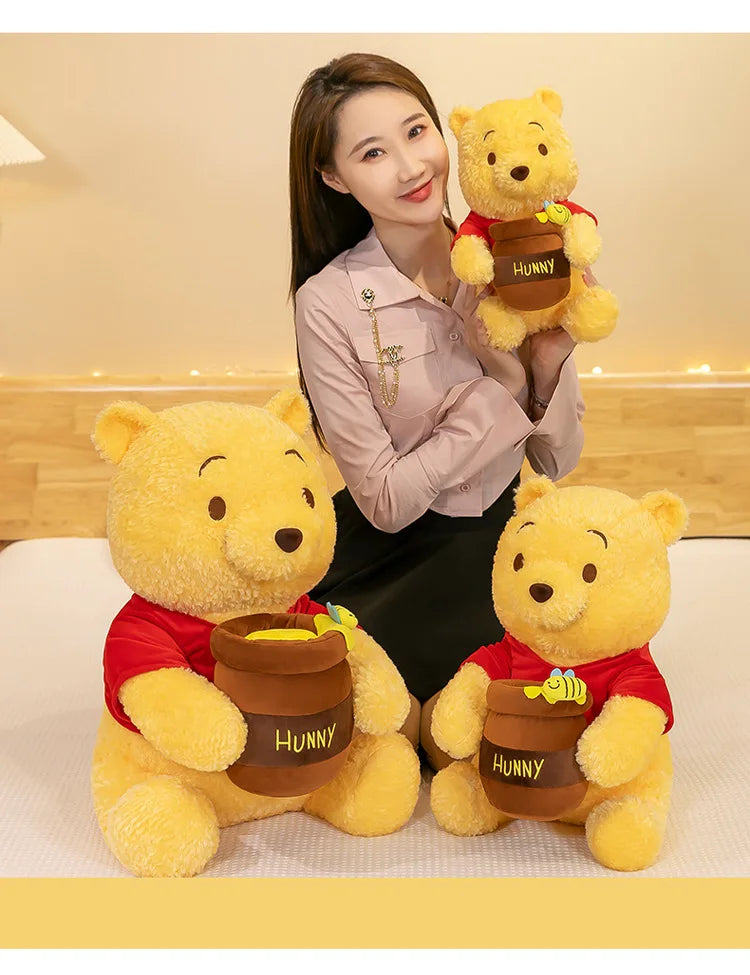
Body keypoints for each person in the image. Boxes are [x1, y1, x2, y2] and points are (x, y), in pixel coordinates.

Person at [288, 53, 585, 769]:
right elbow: (387, 501)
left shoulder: (513, 256)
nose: (411, 166)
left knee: (520, 733)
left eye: (416, 132)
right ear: (334, 177)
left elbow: (556, 461)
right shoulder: (328, 303)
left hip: (502, 544)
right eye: (372, 153)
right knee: (329, 713)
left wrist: (546, 364)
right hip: (387, 551)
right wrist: (502, 390)